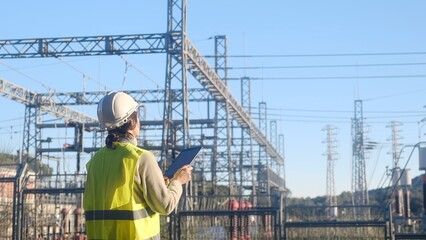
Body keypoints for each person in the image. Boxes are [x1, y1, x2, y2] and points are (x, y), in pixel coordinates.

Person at [83, 91, 193, 239]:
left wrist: (162, 183)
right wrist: (178, 182)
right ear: (131, 121)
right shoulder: (141, 158)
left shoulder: (94, 162)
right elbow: (165, 205)